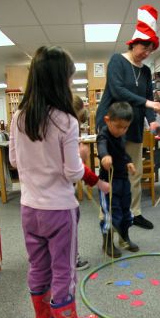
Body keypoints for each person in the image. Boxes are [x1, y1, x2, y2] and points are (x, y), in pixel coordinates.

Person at [9, 45, 109, 318]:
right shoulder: (66, 120)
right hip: (59, 209)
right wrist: (77, 157)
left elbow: (14, 161)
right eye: (68, 78)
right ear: (58, 80)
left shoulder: (19, 116)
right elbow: (73, 173)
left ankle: (42, 315)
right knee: (63, 267)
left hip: (29, 208)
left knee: (38, 263)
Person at [95, 5, 160, 230]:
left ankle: (133, 213)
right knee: (113, 172)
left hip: (133, 127)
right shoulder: (117, 60)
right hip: (111, 124)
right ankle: (107, 214)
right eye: (145, 47)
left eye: (151, 50)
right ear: (134, 42)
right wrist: (147, 103)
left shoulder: (145, 71)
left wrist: (152, 119)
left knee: (134, 171)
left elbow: (147, 97)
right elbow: (117, 91)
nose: (147, 53)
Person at [97, 102, 139, 258]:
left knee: (126, 212)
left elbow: (122, 153)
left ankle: (124, 238)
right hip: (108, 182)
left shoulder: (121, 135)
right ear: (108, 120)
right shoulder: (104, 134)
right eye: (119, 126)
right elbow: (102, 146)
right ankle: (107, 242)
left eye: (126, 127)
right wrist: (104, 156)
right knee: (111, 214)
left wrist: (128, 161)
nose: (122, 130)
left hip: (123, 180)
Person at [73, 94, 90, 271]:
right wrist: (81, 159)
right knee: (70, 220)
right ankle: (72, 257)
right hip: (61, 195)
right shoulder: (67, 126)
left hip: (34, 199)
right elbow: (73, 171)